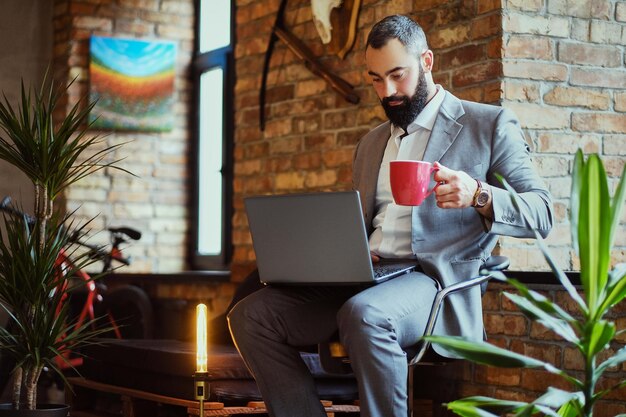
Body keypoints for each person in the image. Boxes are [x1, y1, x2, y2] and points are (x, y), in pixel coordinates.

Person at [228, 14, 553, 417]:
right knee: (252, 316)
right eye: (376, 79)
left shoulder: (487, 125)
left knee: (365, 315)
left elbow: (542, 212)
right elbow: (368, 221)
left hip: (433, 280)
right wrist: (351, 251)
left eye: (398, 75)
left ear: (427, 61)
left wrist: (479, 195)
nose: (388, 91)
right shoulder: (371, 144)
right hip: (370, 275)